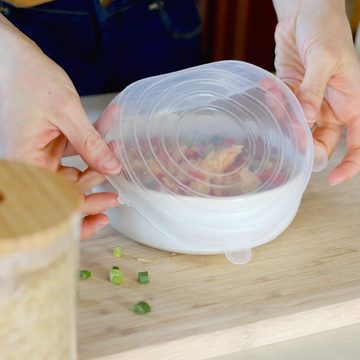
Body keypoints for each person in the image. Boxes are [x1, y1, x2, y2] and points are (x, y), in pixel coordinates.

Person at [0, 0, 359, 238]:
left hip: (157, 16)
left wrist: (309, 9)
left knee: (176, 129)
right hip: (19, 27)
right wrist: (8, 57)